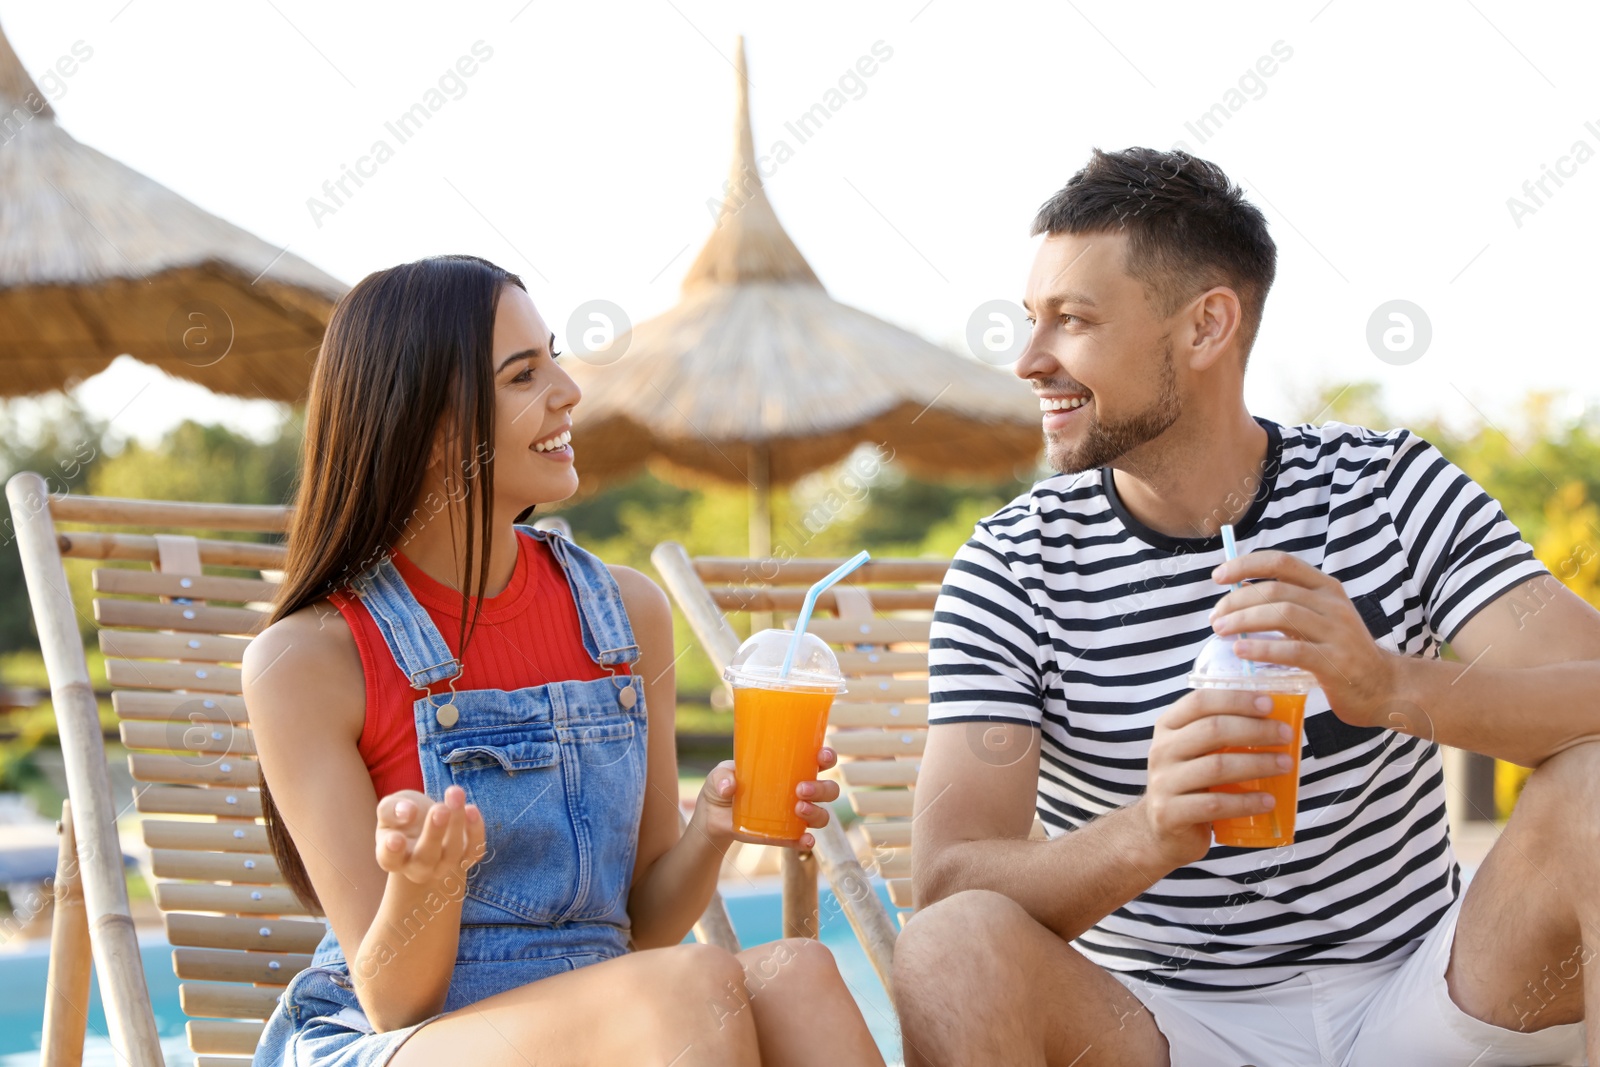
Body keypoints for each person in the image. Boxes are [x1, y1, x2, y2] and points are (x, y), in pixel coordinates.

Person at [892, 147, 1600, 1067]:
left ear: (1206, 326)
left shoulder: (1385, 488)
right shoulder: (1011, 564)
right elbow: (947, 883)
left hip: (1425, 997)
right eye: (1033, 321)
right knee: (949, 948)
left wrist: (1389, 686)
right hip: (1162, 1027)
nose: (1031, 360)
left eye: (1072, 320)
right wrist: (1148, 833)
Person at [245, 255, 886, 1067]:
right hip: (394, 1040)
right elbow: (391, 1001)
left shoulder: (625, 614)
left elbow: (636, 925)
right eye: (523, 374)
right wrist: (424, 885)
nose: (569, 389)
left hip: (604, 1013)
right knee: (683, 986)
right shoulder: (309, 658)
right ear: (435, 431)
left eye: (552, 356)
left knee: (798, 973)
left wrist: (714, 828)